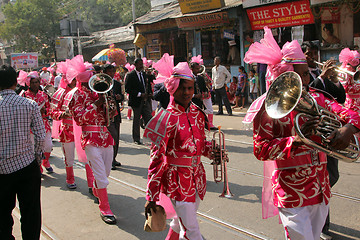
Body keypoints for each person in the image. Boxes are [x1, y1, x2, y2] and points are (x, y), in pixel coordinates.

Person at [244, 27, 360, 240]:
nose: (308, 79)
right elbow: (261, 149)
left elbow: (351, 114)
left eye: (308, 73)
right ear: (288, 77)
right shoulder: (267, 107)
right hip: (291, 191)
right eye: (304, 74)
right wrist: (295, 141)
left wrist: (349, 128)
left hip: (320, 189)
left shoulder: (317, 97)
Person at [144, 55, 217, 240]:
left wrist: (212, 151)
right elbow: (156, 158)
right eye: (182, 88)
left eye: (190, 88)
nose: (186, 92)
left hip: (197, 178)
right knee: (192, 230)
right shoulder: (164, 118)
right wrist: (151, 195)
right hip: (176, 181)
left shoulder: (198, 113)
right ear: (172, 89)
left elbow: (199, 144)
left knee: (180, 222)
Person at [302, 43, 347, 240]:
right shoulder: (303, 75)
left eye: (314, 53)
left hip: (329, 131)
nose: (312, 57)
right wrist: (321, 78)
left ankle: (320, 221)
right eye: (308, 54)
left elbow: (341, 99)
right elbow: (308, 93)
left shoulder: (323, 75)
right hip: (312, 133)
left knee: (331, 176)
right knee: (322, 180)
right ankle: (321, 226)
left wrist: (335, 80)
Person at [68, 55, 117, 224]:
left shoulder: (100, 95)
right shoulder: (76, 96)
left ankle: (98, 189)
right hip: (89, 139)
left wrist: (108, 102)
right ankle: (105, 208)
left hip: (105, 137)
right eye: (91, 79)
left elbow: (112, 116)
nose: (94, 83)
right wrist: (95, 105)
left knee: (105, 173)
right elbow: (80, 119)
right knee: (101, 176)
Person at [0, 64, 46, 240]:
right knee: (31, 211)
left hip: (2, 170)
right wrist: (37, 159)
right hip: (27, 166)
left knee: (2, 213)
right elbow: (41, 136)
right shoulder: (29, 104)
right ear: (15, 83)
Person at [22, 71, 54, 174]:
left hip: (44, 124)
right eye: (33, 82)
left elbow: (50, 109)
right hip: (30, 127)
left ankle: (46, 161)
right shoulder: (23, 96)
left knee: (48, 146)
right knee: (34, 148)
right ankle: (38, 166)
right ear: (28, 83)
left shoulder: (43, 95)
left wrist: (44, 111)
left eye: (37, 82)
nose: (35, 84)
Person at [125, 58, 153, 145]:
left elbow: (147, 85)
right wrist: (139, 94)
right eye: (140, 64)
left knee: (148, 118)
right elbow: (128, 89)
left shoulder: (144, 74)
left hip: (145, 100)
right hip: (136, 101)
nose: (142, 66)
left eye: (142, 64)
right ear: (135, 64)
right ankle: (136, 138)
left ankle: (151, 137)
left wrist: (149, 94)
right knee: (136, 119)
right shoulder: (130, 75)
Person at [103, 64, 124, 169]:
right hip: (106, 115)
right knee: (113, 136)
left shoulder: (116, 83)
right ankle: (109, 160)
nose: (111, 74)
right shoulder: (101, 84)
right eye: (109, 71)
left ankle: (114, 158)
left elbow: (122, 97)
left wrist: (120, 97)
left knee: (117, 137)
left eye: (112, 71)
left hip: (116, 113)